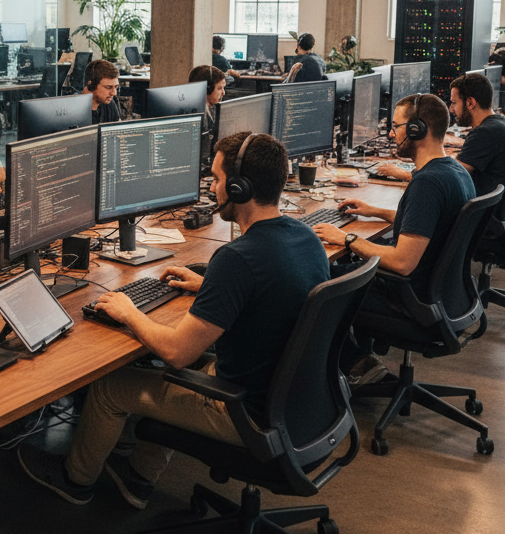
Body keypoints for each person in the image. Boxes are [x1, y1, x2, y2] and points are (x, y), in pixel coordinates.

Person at [18, 132, 330, 508]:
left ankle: (75, 480)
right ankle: (138, 478)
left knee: (110, 386)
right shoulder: (305, 237)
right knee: (192, 361)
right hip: (298, 402)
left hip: (245, 411)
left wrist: (128, 311)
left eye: (215, 180)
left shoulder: (238, 258)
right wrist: (210, 287)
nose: (213, 190)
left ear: (238, 187)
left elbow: (176, 353)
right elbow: (274, 292)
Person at [314, 93, 475, 385]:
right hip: (443, 296)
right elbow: (429, 222)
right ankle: (360, 361)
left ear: (417, 130)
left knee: (316, 282)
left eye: (396, 126)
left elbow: (402, 262)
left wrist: (347, 238)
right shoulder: (451, 170)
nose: (391, 133)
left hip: (411, 300)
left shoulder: (427, 183)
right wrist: (373, 211)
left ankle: (352, 364)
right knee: (343, 267)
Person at [377, 73, 505, 194]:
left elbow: (450, 177)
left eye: (454, 103)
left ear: (470, 103)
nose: (451, 109)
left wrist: (401, 173)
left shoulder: (486, 133)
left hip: (485, 219)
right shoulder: (501, 122)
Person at [188, 64, 226, 137]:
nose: (223, 93)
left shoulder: (213, 109)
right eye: (219, 88)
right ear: (208, 88)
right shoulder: (193, 118)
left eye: (223, 88)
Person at [82, 59, 122, 124]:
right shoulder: (75, 111)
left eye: (116, 87)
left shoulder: (109, 103)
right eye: (108, 87)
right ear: (91, 85)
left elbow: (119, 130)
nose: (114, 93)